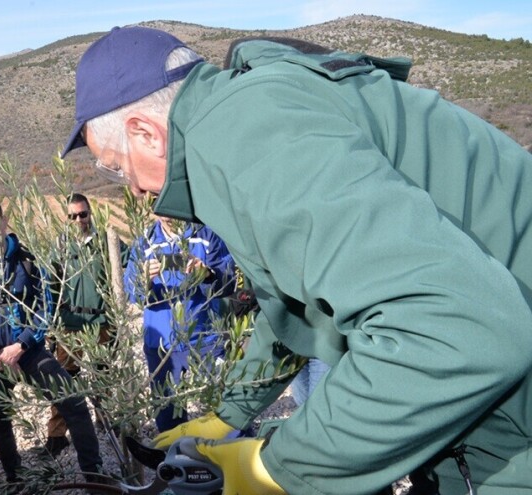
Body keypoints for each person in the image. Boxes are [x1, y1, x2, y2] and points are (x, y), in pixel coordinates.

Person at [61, 26, 532, 495]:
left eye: (117, 168)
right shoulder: (256, 113)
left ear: (145, 133)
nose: (135, 190)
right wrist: (232, 413)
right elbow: (298, 301)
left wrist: (277, 469)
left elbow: (455, 331)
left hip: (511, 430)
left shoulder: (248, 138)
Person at [0, 198, 102, 484]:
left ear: (5, 222)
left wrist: (20, 346)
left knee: (74, 402)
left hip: (28, 351)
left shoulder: (28, 260)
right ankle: (16, 479)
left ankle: (94, 476)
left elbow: (45, 310)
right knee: (0, 420)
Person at [124, 215, 235, 432]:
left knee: (223, 408)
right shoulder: (144, 242)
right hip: (162, 344)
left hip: (204, 339)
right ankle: (174, 453)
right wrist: (144, 280)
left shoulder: (206, 235)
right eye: (157, 203)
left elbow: (228, 282)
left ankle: (232, 447)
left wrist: (207, 273)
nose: (166, 213)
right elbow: (132, 294)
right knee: (168, 416)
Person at [37, 192, 127, 458]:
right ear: (66, 218)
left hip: (101, 323)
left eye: (83, 214)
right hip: (70, 325)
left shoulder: (106, 241)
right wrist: (52, 326)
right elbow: (51, 286)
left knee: (103, 375)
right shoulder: (60, 247)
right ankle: (57, 435)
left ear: (90, 214)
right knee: (64, 380)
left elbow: (129, 264)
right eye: (72, 216)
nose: (79, 220)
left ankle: (105, 420)